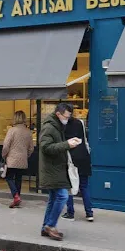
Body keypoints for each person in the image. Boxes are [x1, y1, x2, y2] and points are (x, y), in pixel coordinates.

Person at [38, 102, 81, 241]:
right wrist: (67, 144)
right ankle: (50, 225)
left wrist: (68, 143)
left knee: (53, 198)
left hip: (56, 168)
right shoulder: (49, 127)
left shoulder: (57, 126)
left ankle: (46, 227)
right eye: (66, 116)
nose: (67, 119)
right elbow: (46, 147)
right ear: (58, 114)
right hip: (52, 169)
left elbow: (54, 145)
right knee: (62, 196)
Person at [61, 116, 93, 222]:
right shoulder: (80, 122)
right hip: (84, 156)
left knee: (69, 186)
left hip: (71, 159)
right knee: (84, 187)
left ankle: (70, 213)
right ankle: (89, 213)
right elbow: (85, 139)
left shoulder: (63, 126)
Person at [1, 110, 34, 209]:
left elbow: (6, 145)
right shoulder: (28, 132)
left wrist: (4, 155)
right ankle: (17, 198)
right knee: (18, 179)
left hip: (12, 159)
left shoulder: (12, 130)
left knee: (9, 177)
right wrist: (26, 155)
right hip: (23, 160)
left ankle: (15, 196)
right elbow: (31, 148)